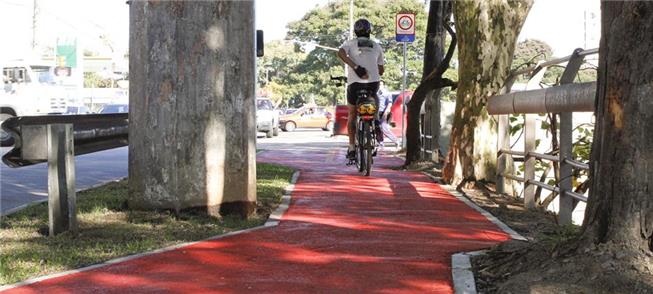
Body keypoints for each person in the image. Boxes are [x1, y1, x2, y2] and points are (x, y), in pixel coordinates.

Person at [337, 18, 385, 160]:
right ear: (369, 31)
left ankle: (352, 147)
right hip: (373, 84)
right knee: (374, 96)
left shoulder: (350, 43)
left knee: (352, 114)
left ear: (355, 31)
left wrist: (356, 67)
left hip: (355, 85)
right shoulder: (377, 46)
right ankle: (376, 121)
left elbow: (340, 53)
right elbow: (381, 70)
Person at [377, 81, 399, 150]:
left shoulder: (387, 93)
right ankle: (381, 143)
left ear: (383, 85)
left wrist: (386, 111)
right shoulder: (375, 93)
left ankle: (396, 141)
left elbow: (390, 103)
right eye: (378, 84)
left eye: (380, 84)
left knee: (384, 128)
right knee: (377, 127)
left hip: (384, 112)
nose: (379, 86)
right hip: (376, 112)